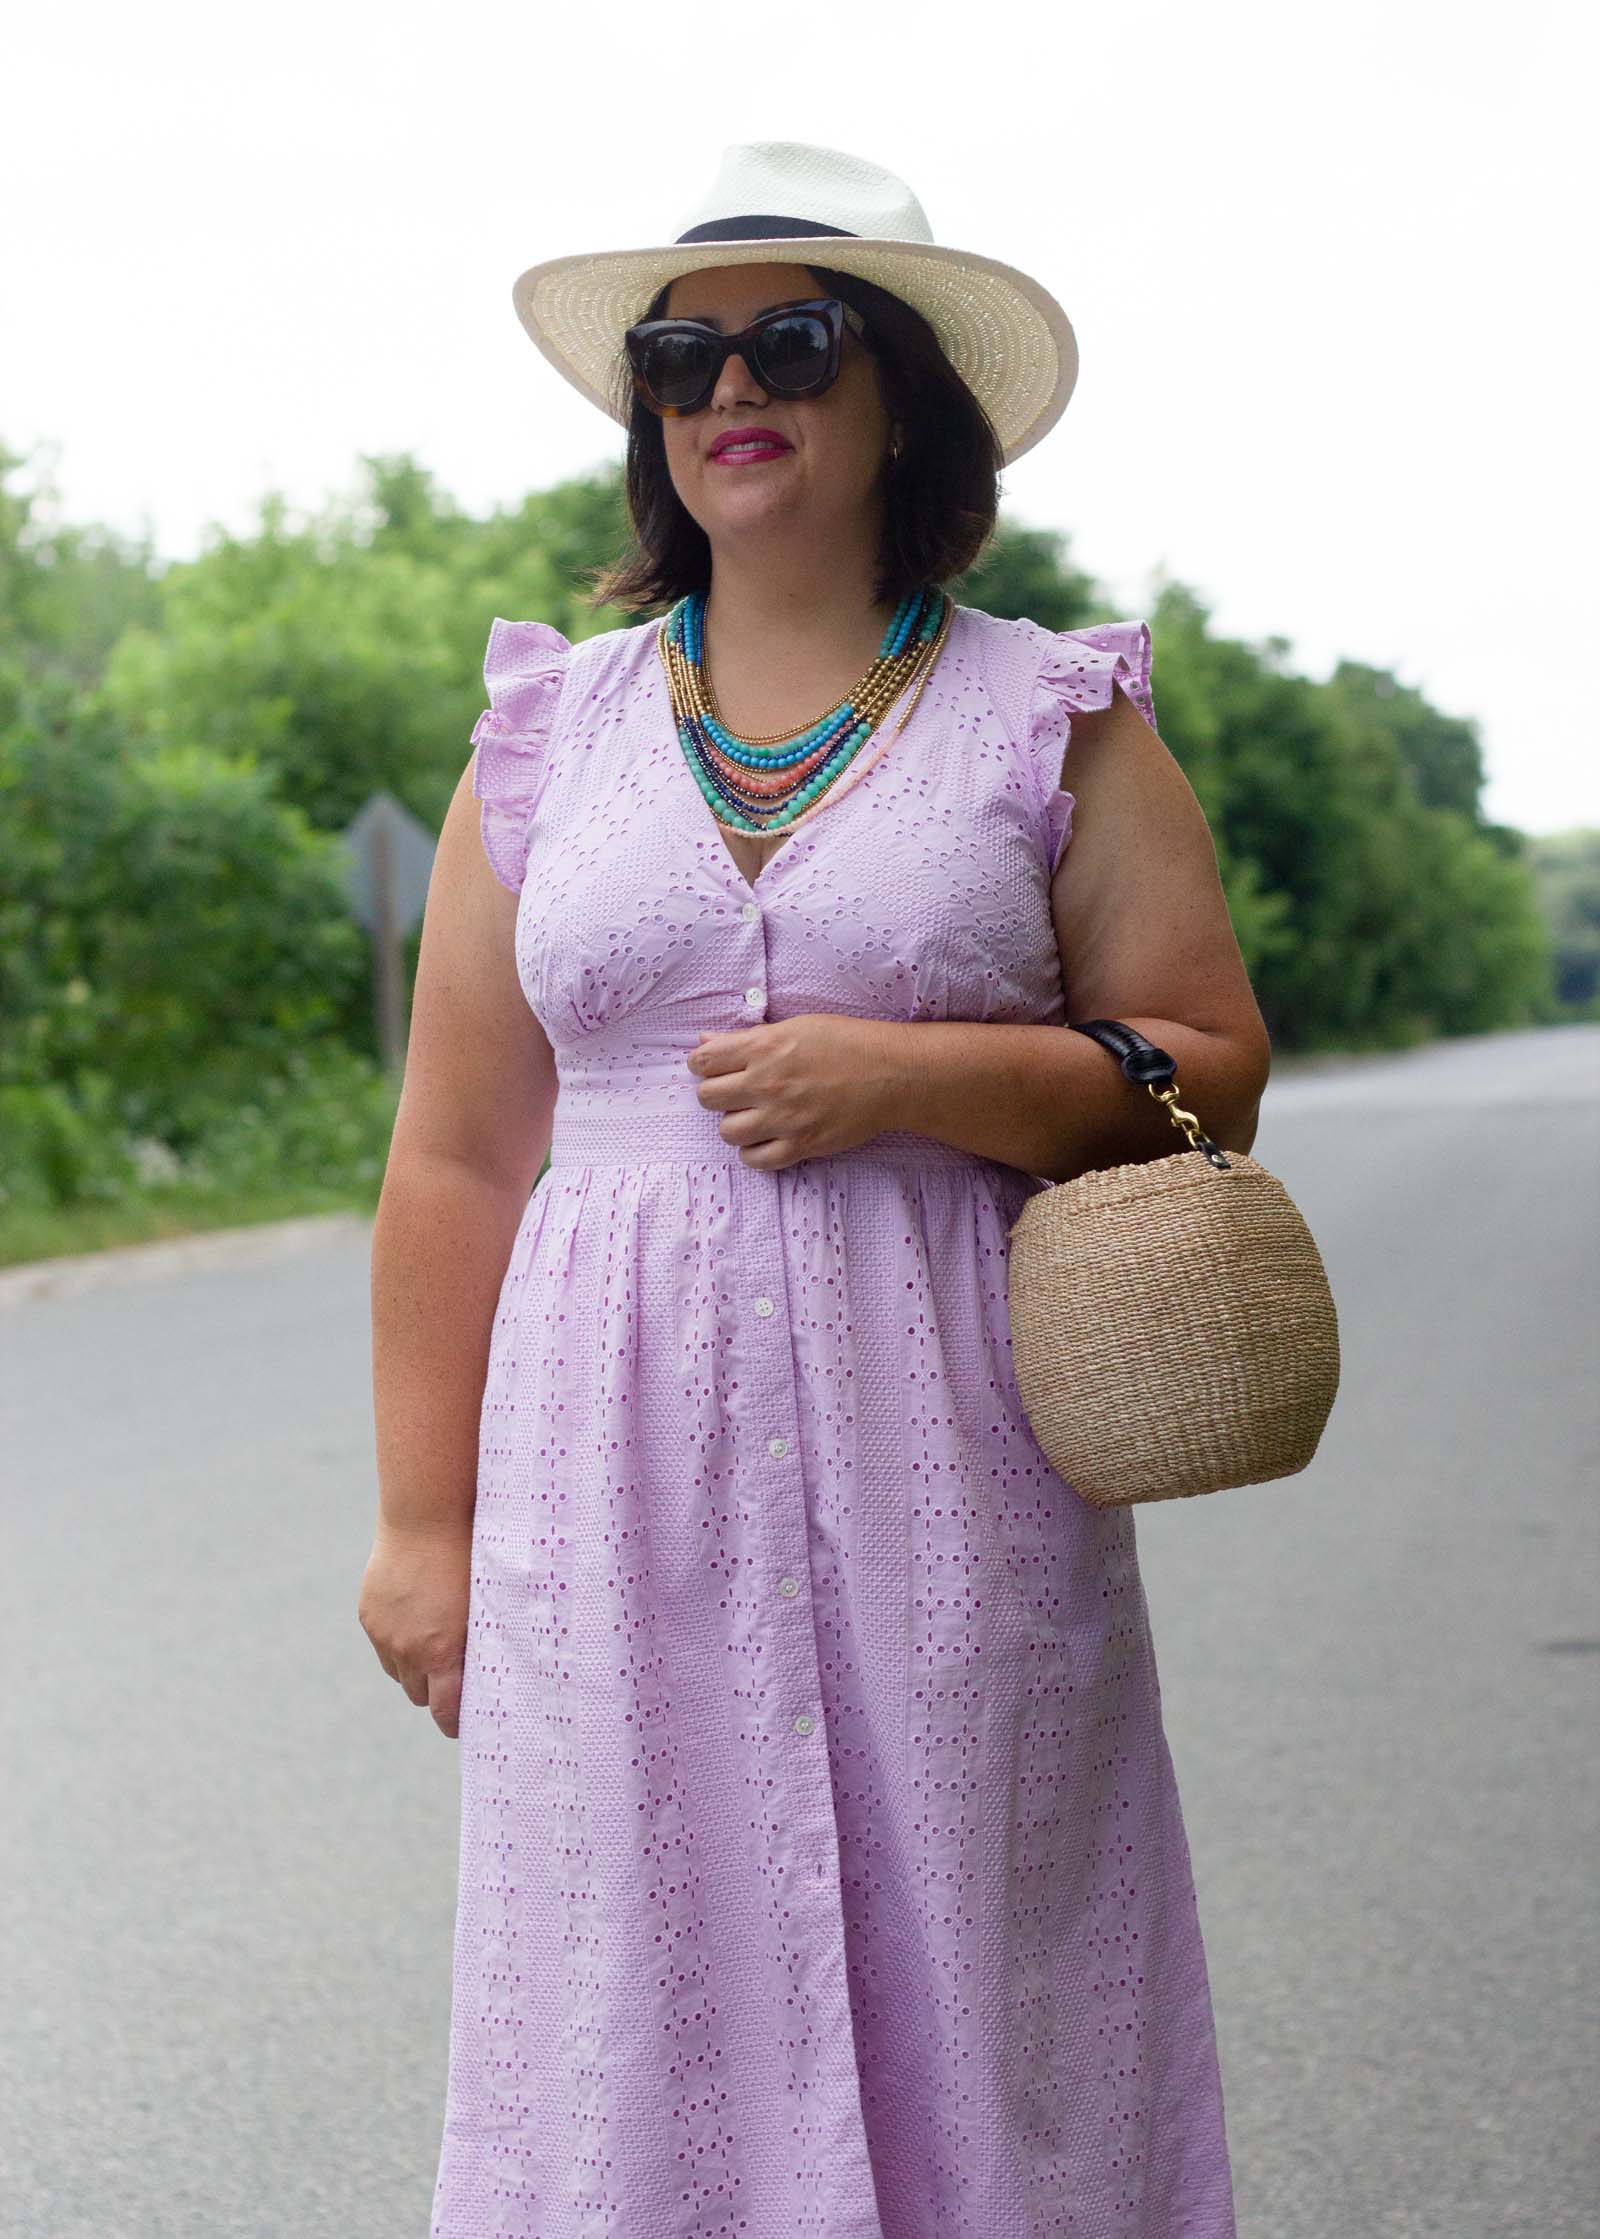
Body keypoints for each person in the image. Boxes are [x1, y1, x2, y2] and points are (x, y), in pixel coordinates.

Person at [360, 141, 1266, 2239]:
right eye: (679, 355)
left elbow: (1204, 1073)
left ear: (902, 401)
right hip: (605, 1463)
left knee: (985, 1976)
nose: (722, 387)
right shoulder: (548, 736)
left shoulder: (1056, 716)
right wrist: (423, 1523)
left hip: (952, 1449)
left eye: (791, 339)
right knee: (625, 1986)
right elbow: (459, 1148)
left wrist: (925, 1081)